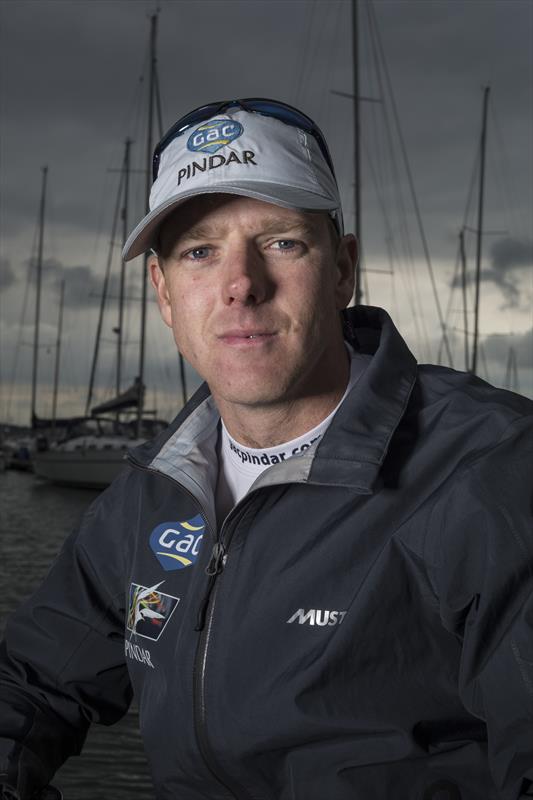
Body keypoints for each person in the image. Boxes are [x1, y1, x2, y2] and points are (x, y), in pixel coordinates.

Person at [1, 98, 532, 800]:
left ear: (341, 270)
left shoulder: (490, 468)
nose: (241, 285)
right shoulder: (151, 492)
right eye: (199, 252)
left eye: (281, 241)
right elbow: (29, 683)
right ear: (163, 292)